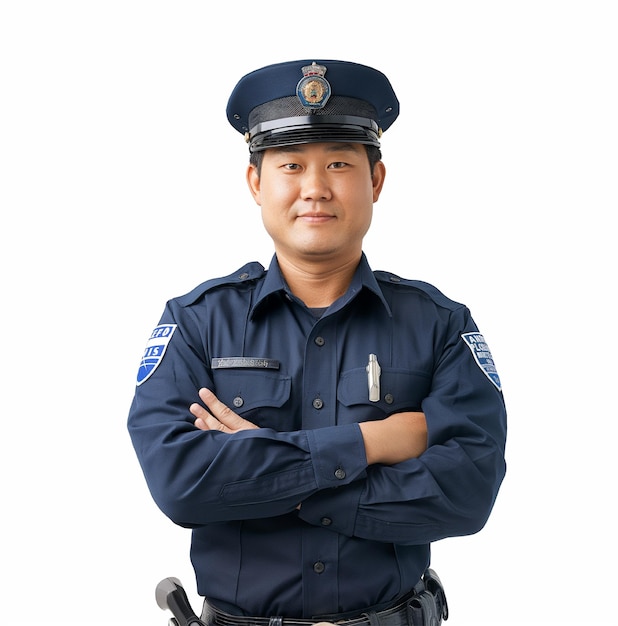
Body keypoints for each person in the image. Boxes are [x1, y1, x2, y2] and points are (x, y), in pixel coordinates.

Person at [127, 59, 507, 626]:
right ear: (256, 182)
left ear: (375, 180)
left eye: (338, 163)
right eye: (290, 165)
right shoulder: (196, 323)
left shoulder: (440, 325)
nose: (315, 188)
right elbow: (182, 484)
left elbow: (466, 492)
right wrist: (371, 441)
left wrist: (269, 473)